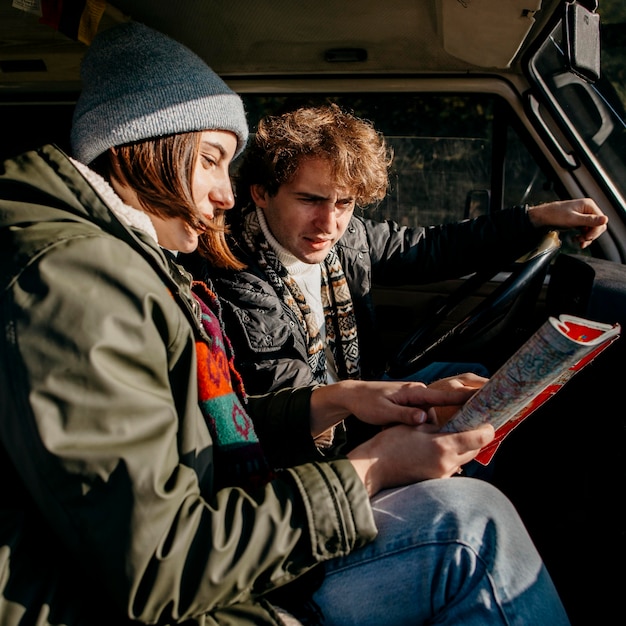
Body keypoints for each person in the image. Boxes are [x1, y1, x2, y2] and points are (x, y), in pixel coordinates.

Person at [0, 21, 571, 626]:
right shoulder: (95, 280)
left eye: (345, 205)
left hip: (237, 525)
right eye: (210, 161)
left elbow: (431, 247)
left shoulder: (145, 266)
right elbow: (163, 563)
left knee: (464, 395)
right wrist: (377, 464)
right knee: (471, 525)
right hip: (223, 581)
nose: (223, 196)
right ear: (141, 148)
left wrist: (350, 396)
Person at [182, 103, 608, 402]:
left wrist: (535, 218)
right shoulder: (234, 275)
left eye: (344, 203)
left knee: (496, 387)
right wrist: (408, 401)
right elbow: (293, 398)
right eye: (310, 200)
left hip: (366, 384)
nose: (329, 224)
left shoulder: (349, 240)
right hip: (323, 432)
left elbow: (434, 248)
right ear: (261, 193)